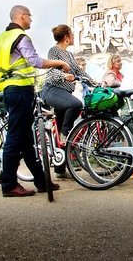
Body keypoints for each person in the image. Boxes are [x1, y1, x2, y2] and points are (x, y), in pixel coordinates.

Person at [0, 5, 69, 197]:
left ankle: (41, 180)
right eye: (29, 16)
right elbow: (35, 61)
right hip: (20, 90)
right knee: (14, 139)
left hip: (9, 90)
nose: (31, 20)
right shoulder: (20, 37)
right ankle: (9, 185)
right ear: (21, 16)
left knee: (26, 139)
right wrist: (60, 63)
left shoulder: (2, 38)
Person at [40, 24, 98, 179]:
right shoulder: (54, 51)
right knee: (76, 105)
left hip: (64, 93)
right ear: (66, 37)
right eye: (72, 34)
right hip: (52, 90)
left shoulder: (70, 55)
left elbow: (79, 71)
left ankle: (60, 169)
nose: (73, 36)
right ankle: (66, 134)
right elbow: (52, 72)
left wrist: (95, 83)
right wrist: (64, 76)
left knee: (60, 129)